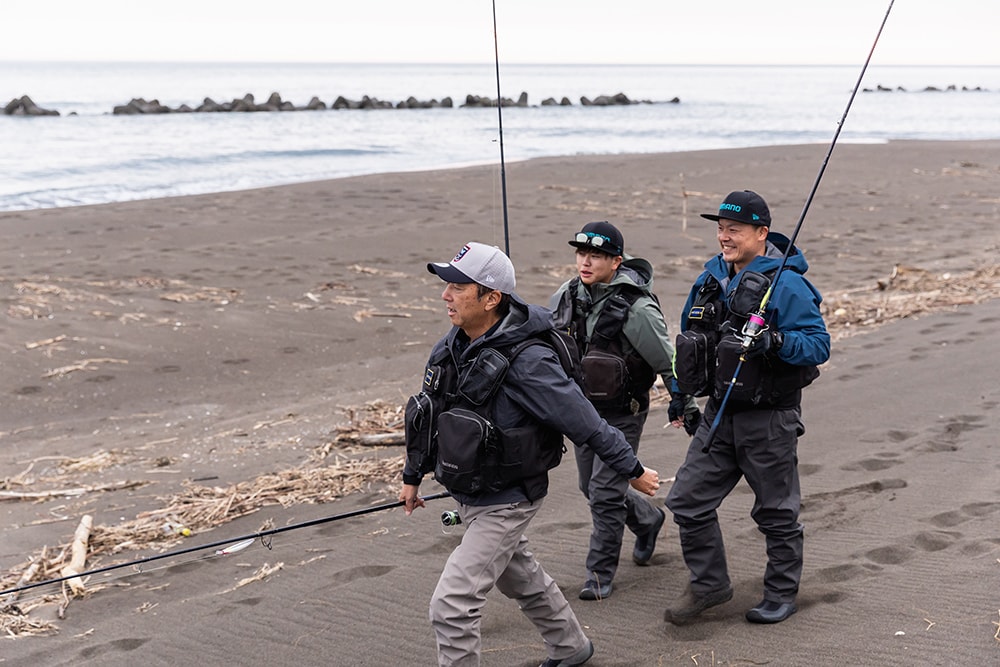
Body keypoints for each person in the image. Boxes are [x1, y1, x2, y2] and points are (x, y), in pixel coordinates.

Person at [399, 241, 660, 667]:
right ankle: (573, 647)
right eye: (447, 284)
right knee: (520, 578)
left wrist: (631, 468)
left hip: (509, 497)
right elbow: (427, 417)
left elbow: (585, 421)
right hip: (470, 491)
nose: (445, 295)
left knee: (451, 605)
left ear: (492, 298)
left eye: (458, 286)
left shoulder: (529, 361)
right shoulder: (450, 345)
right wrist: (413, 477)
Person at [664, 190, 830, 625]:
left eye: (733, 229)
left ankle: (780, 593)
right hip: (718, 415)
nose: (724, 237)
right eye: (720, 228)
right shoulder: (709, 280)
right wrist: (680, 393)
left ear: (761, 233)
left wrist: (775, 341)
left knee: (776, 513)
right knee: (686, 501)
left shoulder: (787, 283)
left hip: (769, 418)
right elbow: (688, 341)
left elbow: (818, 344)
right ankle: (710, 586)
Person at [550, 221, 700, 601]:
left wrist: (684, 401)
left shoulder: (636, 307)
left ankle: (598, 574)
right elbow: (543, 340)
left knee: (603, 491)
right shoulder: (566, 296)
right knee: (590, 485)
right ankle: (648, 520)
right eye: (581, 254)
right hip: (582, 413)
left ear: (616, 261)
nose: (585, 262)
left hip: (623, 412)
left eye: (596, 256)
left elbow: (669, 360)